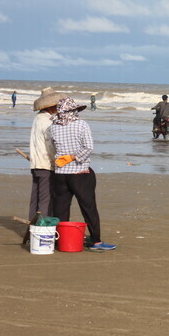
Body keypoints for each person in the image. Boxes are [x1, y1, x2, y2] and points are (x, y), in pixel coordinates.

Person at [49, 97, 116, 251]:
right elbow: (88, 147)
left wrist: (63, 158)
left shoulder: (53, 127)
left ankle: (60, 240)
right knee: (88, 207)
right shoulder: (81, 124)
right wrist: (73, 157)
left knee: (60, 208)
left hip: (60, 173)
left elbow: (52, 148)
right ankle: (96, 241)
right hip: (80, 171)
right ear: (73, 111)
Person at [28, 87, 66, 221]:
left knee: (35, 198)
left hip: (36, 164)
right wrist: (58, 161)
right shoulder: (47, 121)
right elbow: (50, 145)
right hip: (46, 165)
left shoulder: (38, 118)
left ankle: (32, 225)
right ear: (51, 106)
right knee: (46, 199)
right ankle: (41, 226)